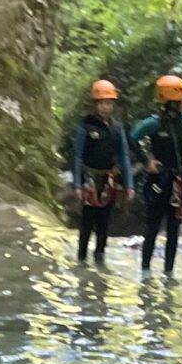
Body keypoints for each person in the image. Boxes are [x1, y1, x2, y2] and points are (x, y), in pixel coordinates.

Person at [130, 75, 182, 278]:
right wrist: (146, 161)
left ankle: (168, 271)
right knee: (153, 224)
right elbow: (132, 137)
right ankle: (145, 270)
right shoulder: (153, 124)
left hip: (177, 180)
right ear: (172, 102)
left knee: (174, 227)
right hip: (158, 180)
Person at [67, 81, 133, 265]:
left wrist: (129, 184)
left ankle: (100, 256)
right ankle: (81, 257)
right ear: (95, 105)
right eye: (102, 103)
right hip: (89, 179)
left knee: (104, 220)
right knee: (87, 220)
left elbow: (124, 156)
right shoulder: (86, 127)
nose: (106, 107)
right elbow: (78, 156)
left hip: (109, 179)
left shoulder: (117, 128)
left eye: (109, 103)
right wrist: (78, 184)